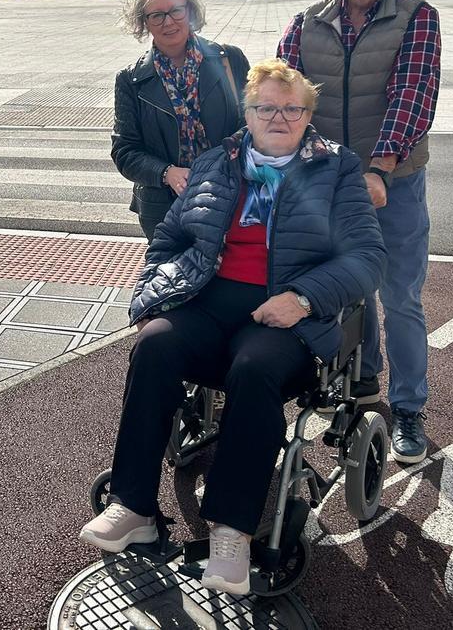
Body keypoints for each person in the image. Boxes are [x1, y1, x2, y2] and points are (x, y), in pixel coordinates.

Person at [81, 59, 385, 595]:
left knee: (255, 367)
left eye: (291, 109)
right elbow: (170, 240)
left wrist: (303, 299)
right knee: (154, 346)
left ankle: (231, 530)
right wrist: (154, 297)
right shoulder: (216, 162)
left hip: (284, 313)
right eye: (266, 107)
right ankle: (134, 506)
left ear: (308, 115)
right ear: (247, 113)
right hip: (208, 300)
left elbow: (366, 257)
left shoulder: (336, 168)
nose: (278, 118)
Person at [277, 0, 441, 464]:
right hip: (328, 181)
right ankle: (365, 383)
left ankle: (409, 407)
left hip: (393, 182)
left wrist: (379, 168)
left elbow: (412, 96)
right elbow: (284, 96)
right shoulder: (307, 21)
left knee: (400, 296)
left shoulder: (416, 17)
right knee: (349, 289)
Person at [111, 0, 249, 240]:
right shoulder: (131, 80)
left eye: (176, 10)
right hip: (163, 209)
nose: (169, 22)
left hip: (227, 197)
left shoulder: (230, 60)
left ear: (190, 10)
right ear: (144, 21)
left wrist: (219, 165)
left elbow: (253, 125)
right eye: (157, 15)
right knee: (170, 268)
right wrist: (167, 173)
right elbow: (125, 151)